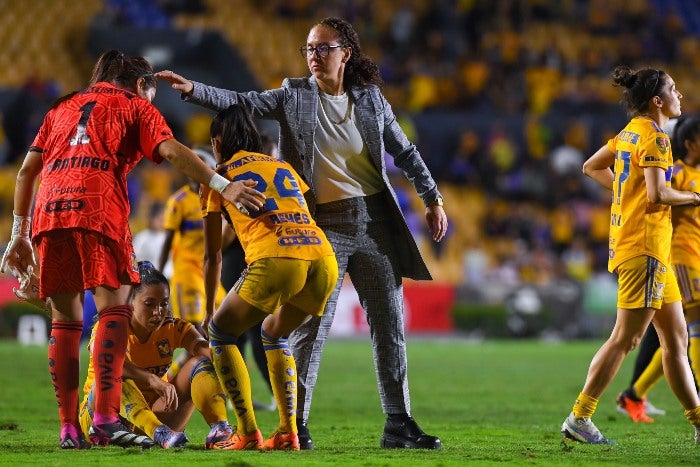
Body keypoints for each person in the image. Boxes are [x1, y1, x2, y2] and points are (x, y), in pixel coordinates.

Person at [156, 16, 448, 450]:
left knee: (389, 325)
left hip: (374, 223)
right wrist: (195, 91)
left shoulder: (371, 100)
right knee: (308, 330)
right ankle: (298, 424)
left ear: (345, 53)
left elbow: (404, 151)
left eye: (323, 48)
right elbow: (244, 101)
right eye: (309, 48)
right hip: (319, 224)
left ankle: (398, 421)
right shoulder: (293, 95)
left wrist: (433, 198)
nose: (314, 56)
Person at [0, 49, 265, 449]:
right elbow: (172, 150)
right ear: (143, 84)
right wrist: (224, 186)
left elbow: (26, 171)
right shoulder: (133, 105)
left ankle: (70, 428)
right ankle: (105, 417)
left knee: (65, 321)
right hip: (97, 206)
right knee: (115, 310)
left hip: (48, 211)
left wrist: (19, 232)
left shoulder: (61, 107)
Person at [561, 65, 700, 445]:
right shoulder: (655, 138)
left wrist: (628, 194)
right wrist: (693, 197)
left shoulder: (627, 133)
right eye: (674, 90)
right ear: (657, 100)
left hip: (646, 248)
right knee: (626, 339)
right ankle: (580, 415)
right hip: (646, 247)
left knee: (676, 340)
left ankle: (699, 421)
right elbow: (657, 194)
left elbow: (592, 166)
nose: (680, 96)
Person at [201, 103, 338, 450]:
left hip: (278, 259)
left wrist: (207, 309)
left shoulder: (219, 176)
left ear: (217, 142)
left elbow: (213, 254)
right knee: (274, 333)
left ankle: (247, 434)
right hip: (322, 259)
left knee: (220, 331)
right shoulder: (283, 166)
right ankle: (288, 433)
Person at [78, 261, 236, 449]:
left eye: (163, 304)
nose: (158, 312)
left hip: (155, 414)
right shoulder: (109, 328)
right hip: (103, 418)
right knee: (115, 376)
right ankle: (158, 432)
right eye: (149, 304)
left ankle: (220, 429)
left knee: (201, 363)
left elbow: (206, 350)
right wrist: (151, 378)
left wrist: (230, 365)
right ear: (130, 302)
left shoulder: (172, 327)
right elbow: (105, 361)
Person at [616, 115, 700, 423]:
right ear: (690, 144)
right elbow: (662, 203)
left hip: (688, 256)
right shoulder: (675, 170)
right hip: (677, 256)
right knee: (683, 333)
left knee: (676, 339)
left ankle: (634, 394)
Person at [158, 145, 226, 334]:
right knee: (196, 327)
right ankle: (207, 361)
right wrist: (161, 272)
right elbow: (168, 240)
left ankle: (186, 364)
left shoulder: (216, 197)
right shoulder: (178, 201)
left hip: (208, 268)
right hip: (186, 269)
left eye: (197, 163)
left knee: (222, 319)